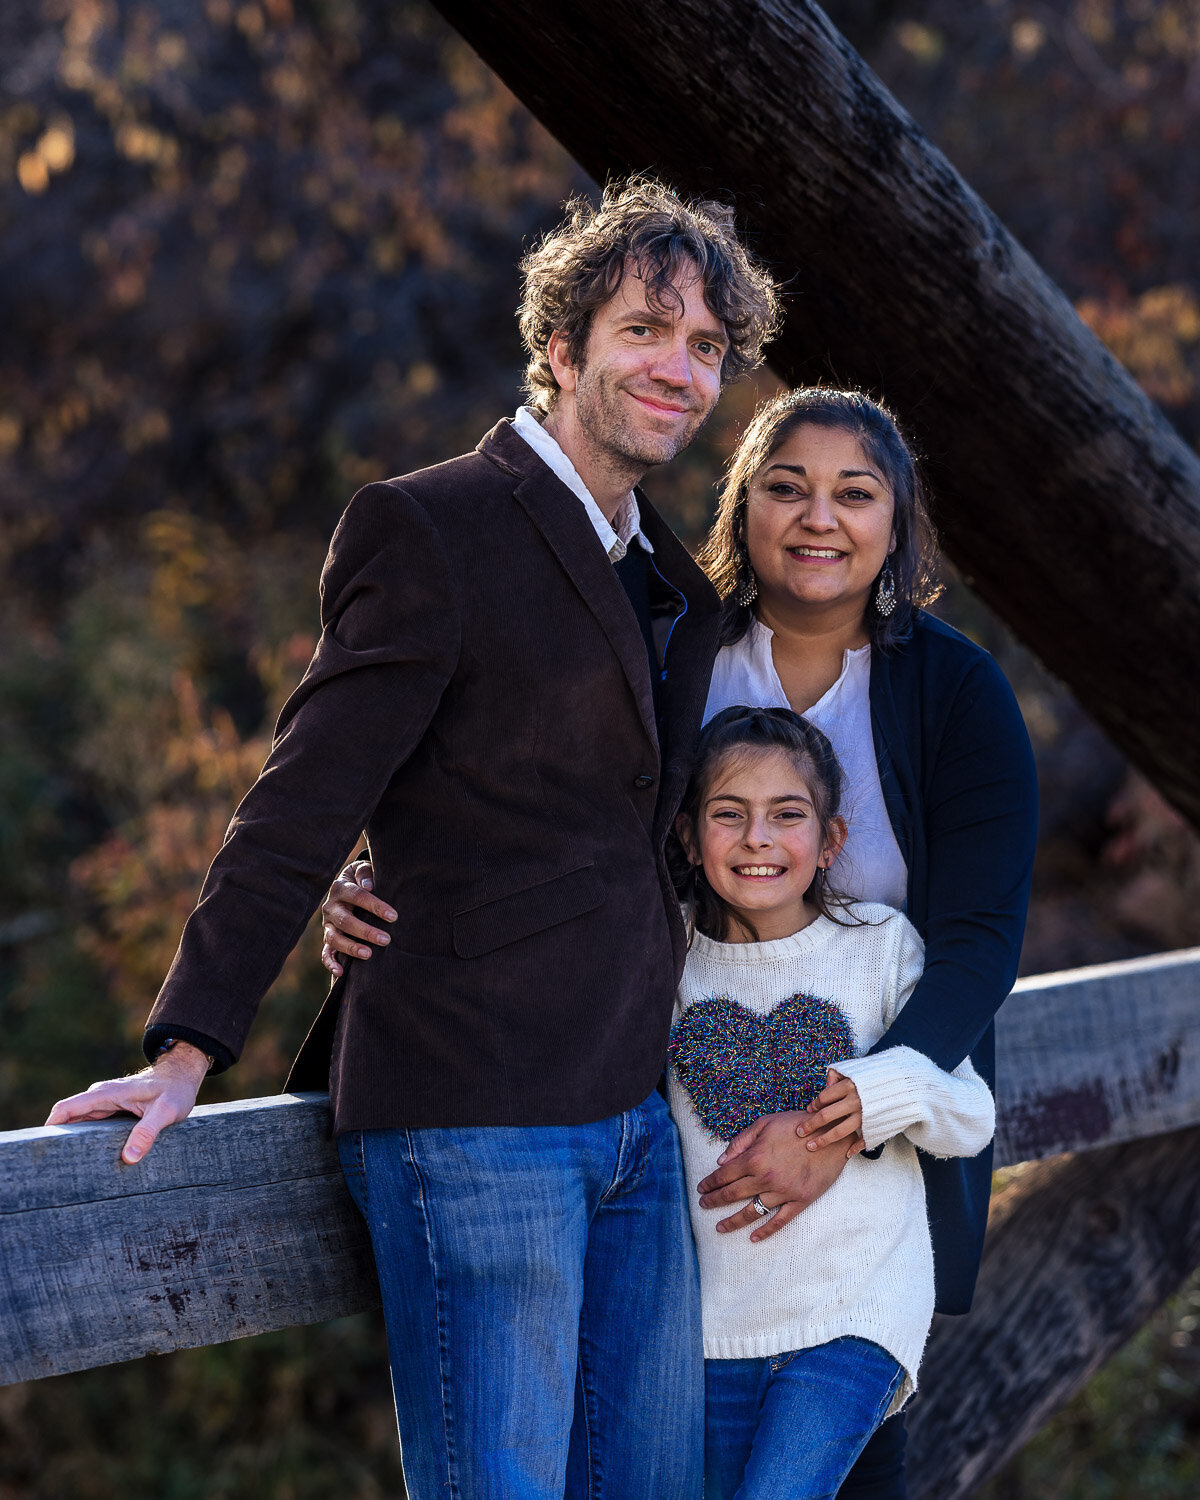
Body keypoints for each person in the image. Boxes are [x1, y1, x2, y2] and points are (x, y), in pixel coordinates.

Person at [45, 177, 781, 1500]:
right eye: (645, 332)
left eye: (708, 348)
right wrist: (186, 1046)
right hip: (472, 1115)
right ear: (560, 346)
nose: (681, 370)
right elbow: (302, 796)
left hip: (629, 1111)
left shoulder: (662, 571)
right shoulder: (431, 525)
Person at [323, 386, 1040, 1498]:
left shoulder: (955, 691)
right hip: (690, 1170)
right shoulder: (676, 656)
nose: (818, 517)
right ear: (741, 508)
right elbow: (541, 808)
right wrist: (394, 878)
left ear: (897, 524)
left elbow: (982, 944)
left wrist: (841, 1118)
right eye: (785, 486)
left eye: (856, 494)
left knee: (851, 1469)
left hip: (876, 1190)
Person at [668, 703, 994, 1499]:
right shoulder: (664, 957)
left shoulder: (879, 946)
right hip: (710, 1331)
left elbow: (970, 1118)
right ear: (687, 837)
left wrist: (871, 1092)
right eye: (729, 815)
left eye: (788, 815)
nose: (758, 839)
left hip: (856, 1315)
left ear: (830, 842)